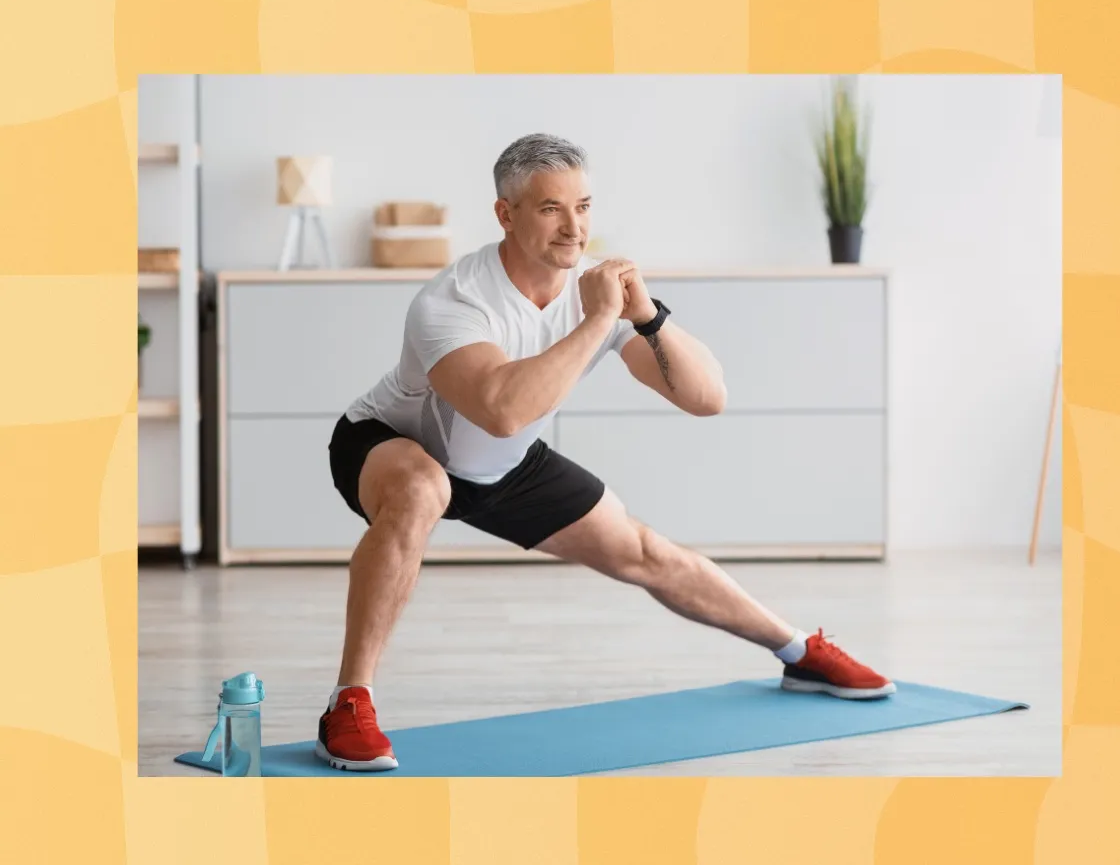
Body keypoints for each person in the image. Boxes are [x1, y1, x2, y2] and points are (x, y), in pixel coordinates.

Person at [320, 133, 895, 771]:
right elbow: (502, 409)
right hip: (391, 443)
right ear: (505, 214)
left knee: (647, 553)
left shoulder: (596, 293)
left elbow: (708, 398)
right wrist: (598, 321)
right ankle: (350, 700)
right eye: (550, 209)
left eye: (585, 207)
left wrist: (646, 318)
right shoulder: (454, 300)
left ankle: (799, 654)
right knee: (423, 488)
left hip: (501, 465)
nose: (575, 228)